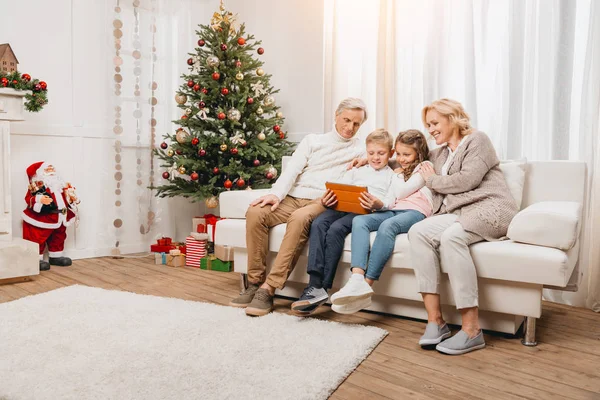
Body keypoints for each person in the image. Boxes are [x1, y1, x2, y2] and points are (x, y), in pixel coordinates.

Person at [229, 98, 368, 317]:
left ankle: (269, 288)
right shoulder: (313, 141)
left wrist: (367, 159)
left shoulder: (362, 148)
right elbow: (292, 170)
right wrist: (276, 194)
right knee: (256, 212)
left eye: (356, 124)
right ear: (336, 116)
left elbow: (388, 154)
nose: (350, 127)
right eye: (346, 120)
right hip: (293, 196)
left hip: (321, 201)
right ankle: (255, 282)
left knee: (300, 218)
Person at [408, 98, 518, 355]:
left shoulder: (478, 140)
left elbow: (467, 180)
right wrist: (367, 161)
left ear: (452, 118)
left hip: (491, 207)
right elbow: (408, 163)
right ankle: (436, 322)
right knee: (418, 232)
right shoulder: (439, 153)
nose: (431, 129)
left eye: (435, 123)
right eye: (428, 125)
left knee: (451, 238)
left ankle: (471, 330)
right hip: (459, 212)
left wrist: (433, 180)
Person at [290, 129, 401, 315]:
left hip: (365, 211)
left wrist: (378, 204)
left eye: (381, 154)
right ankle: (314, 284)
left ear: (390, 154)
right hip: (343, 206)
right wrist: (331, 195)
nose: (375, 157)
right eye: (371, 153)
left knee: (336, 229)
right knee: (318, 223)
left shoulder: (392, 175)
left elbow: (390, 200)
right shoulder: (357, 170)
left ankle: (323, 287)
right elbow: (340, 184)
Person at [328, 129, 432, 314]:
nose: (402, 159)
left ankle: (366, 286)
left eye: (407, 154)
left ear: (419, 153)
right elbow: (384, 158)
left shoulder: (423, 168)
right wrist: (365, 159)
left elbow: (401, 192)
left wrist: (397, 172)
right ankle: (357, 278)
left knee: (387, 226)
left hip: (416, 210)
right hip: (395, 208)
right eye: (399, 154)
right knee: (360, 221)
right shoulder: (396, 165)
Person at [21, 161, 80, 271]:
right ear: (40, 173)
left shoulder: (61, 185)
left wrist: (73, 199)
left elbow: (69, 197)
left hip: (60, 217)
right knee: (37, 238)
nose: (51, 171)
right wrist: (40, 199)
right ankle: (35, 258)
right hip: (43, 218)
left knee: (58, 237)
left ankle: (56, 256)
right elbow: (29, 199)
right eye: (47, 170)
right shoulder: (38, 187)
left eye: (52, 169)